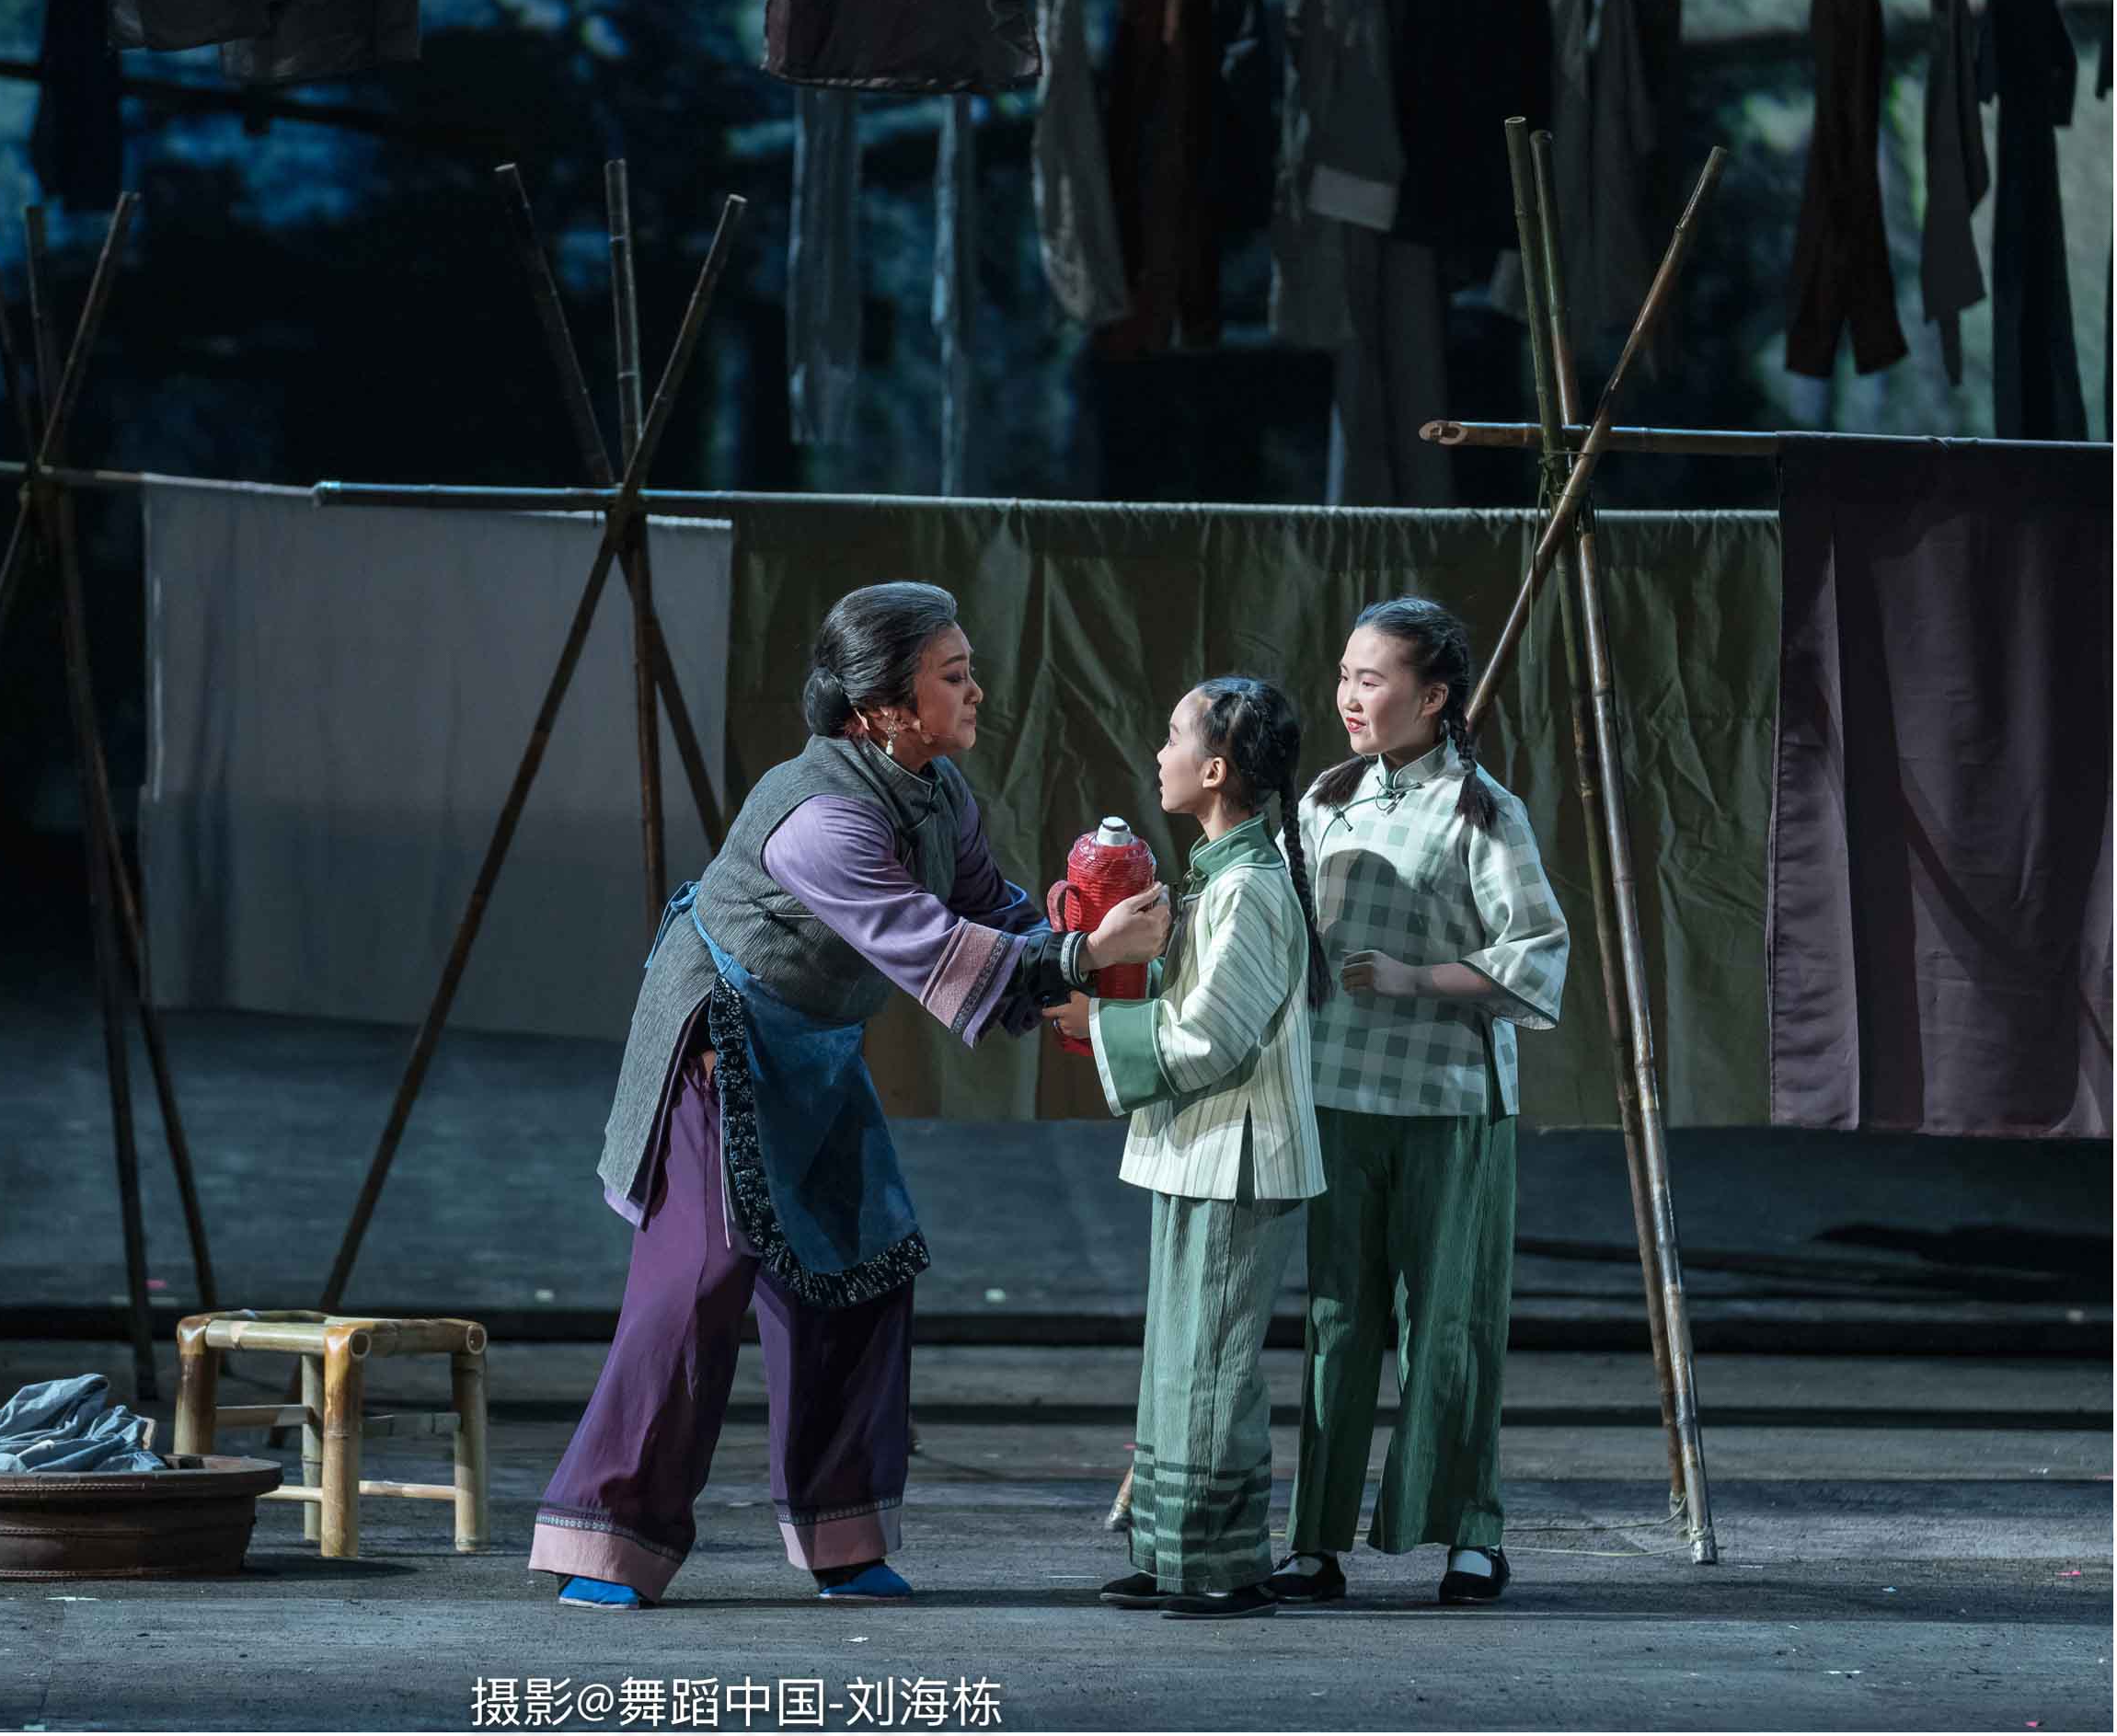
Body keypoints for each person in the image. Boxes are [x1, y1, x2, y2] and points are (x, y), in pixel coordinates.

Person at [529, 581, 1170, 1609]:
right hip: (719, 1039)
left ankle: (843, 1538)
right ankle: (606, 1538)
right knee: (698, 1283)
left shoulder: (937, 791)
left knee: (864, 1264)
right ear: (883, 708)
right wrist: (1083, 955)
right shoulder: (820, 817)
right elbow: (931, 947)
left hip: (815, 1049)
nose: (977, 690)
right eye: (953, 676)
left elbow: (993, 909)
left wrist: (1084, 953)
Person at [1271, 598, 1568, 1606]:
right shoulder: (1327, 798)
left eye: (1373, 679)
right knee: (1337, 1320)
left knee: (1450, 1318)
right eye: (1345, 675)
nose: (1350, 696)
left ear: (1434, 696)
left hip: (1447, 1101)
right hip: (1338, 1093)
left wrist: (1416, 977)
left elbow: (1536, 956)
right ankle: (1314, 1539)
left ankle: (1468, 1531)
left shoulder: (1483, 809)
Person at [1044, 677, 1329, 1622]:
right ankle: (1175, 1551)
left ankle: (1223, 1561)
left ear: (1214, 770)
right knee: (1177, 1359)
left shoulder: (1249, 886)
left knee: (1212, 1363)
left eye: (1173, 735)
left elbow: (1213, 1036)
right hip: (1202, 1146)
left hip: (1240, 1154)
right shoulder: (1219, 875)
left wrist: (1098, 1018)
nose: (1159, 752)